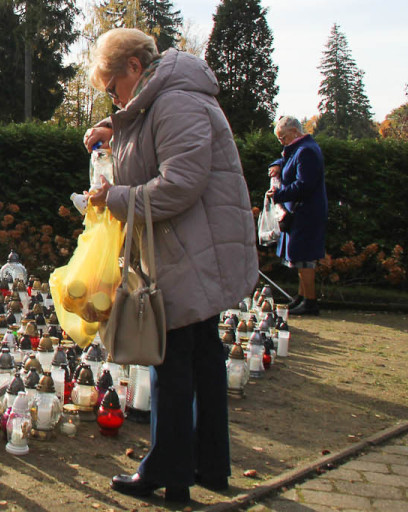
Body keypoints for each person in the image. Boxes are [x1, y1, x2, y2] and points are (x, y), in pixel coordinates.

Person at [83, 28, 257, 504]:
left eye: (114, 88)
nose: (115, 98)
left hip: (188, 251)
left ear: (135, 69)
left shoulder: (178, 102)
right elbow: (150, 129)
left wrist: (114, 197)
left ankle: (168, 472)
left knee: (170, 357)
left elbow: (178, 184)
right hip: (192, 248)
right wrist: (112, 128)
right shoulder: (169, 97)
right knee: (201, 354)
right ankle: (206, 465)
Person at [267, 116, 328, 316]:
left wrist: (279, 195)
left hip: (307, 211)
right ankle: (302, 297)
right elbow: (286, 157)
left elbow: (305, 184)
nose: (281, 142)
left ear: (294, 132)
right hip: (302, 211)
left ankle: (310, 301)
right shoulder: (301, 148)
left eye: (283, 137)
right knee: (299, 255)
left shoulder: (307, 151)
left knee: (305, 257)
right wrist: (277, 164)